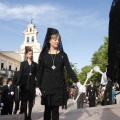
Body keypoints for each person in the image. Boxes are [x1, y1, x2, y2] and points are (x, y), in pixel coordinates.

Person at [36, 28, 81, 120]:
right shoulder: (43, 55)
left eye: (59, 40)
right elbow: (40, 71)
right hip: (46, 86)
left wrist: (78, 82)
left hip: (58, 86)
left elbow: (69, 69)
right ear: (49, 40)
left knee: (56, 110)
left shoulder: (63, 55)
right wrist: (37, 86)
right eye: (55, 39)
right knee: (47, 110)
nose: (57, 41)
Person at [17, 46, 37, 120]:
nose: (30, 55)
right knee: (25, 101)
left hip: (32, 84)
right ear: (26, 55)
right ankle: (25, 115)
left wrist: (38, 85)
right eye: (29, 54)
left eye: (31, 54)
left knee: (31, 100)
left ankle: (30, 115)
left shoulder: (35, 64)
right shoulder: (23, 64)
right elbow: (20, 74)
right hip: (24, 85)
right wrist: (18, 84)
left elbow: (37, 75)